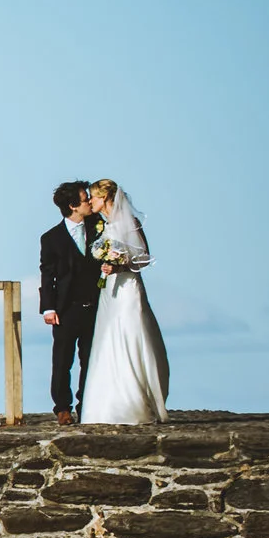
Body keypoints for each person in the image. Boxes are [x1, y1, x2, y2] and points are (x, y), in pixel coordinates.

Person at [80, 178, 170, 425]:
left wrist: (120, 264)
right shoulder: (104, 226)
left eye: (93, 197)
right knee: (107, 340)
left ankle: (134, 402)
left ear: (105, 198)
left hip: (128, 288)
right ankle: (106, 403)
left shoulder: (129, 223)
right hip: (110, 290)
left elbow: (144, 259)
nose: (90, 201)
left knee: (130, 335)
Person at [37, 181, 101, 425]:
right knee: (63, 360)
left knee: (90, 359)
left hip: (94, 306)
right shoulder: (51, 239)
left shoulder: (99, 228)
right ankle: (62, 408)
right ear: (73, 206)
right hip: (65, 309)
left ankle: (87, 404)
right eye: (86, 199)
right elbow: (47, 274)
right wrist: (48, 308)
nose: (89, 203)